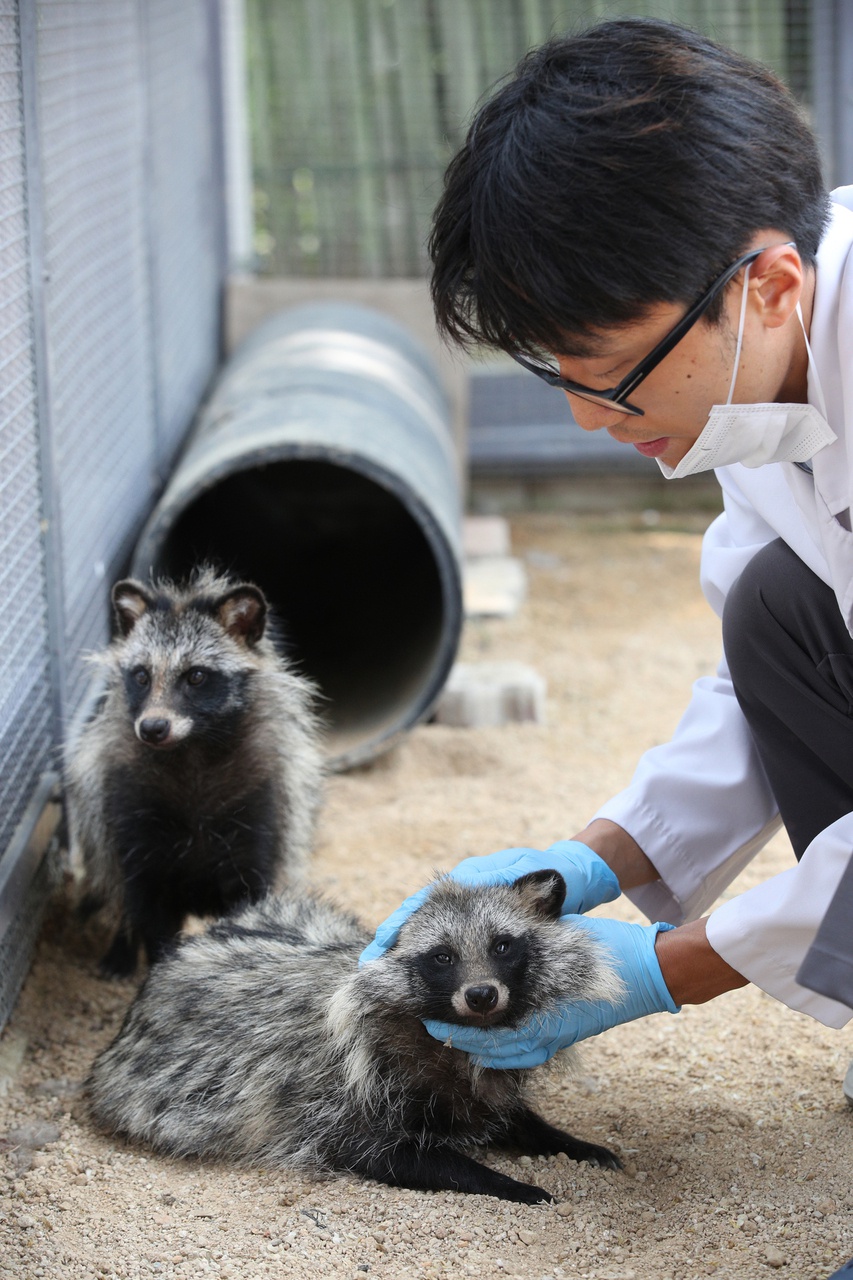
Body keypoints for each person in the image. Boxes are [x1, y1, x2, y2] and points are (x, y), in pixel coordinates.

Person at [361, 17, 853, 1083]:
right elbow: (758, 676)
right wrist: (592, 859)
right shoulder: (772, 364)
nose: (590, 419)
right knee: (775, 608)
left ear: (765, 287)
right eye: (561, 374)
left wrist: (670, 967)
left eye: (614, 371)